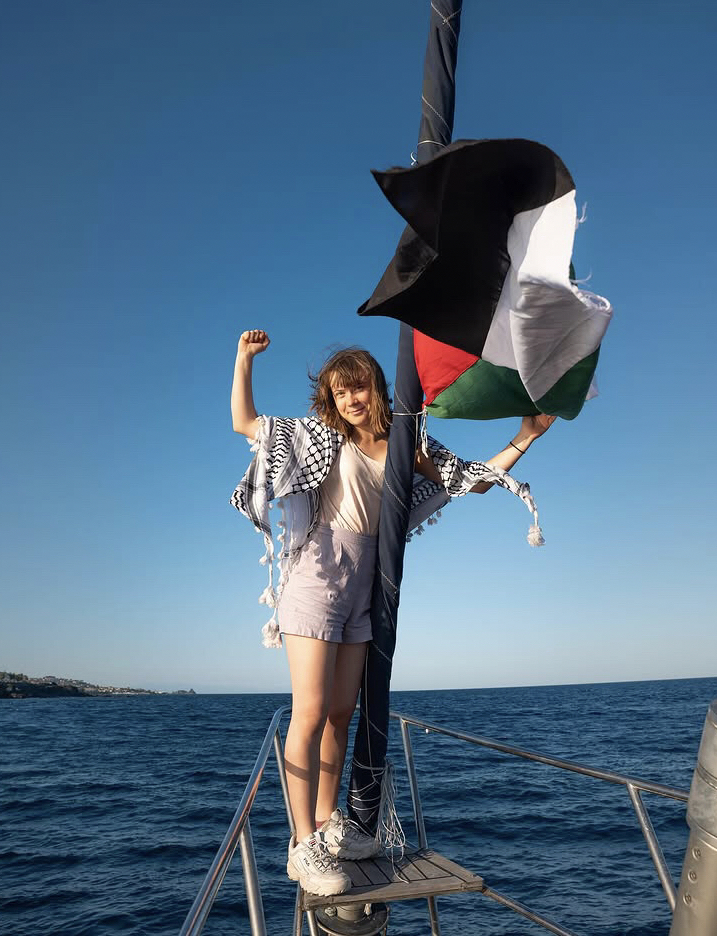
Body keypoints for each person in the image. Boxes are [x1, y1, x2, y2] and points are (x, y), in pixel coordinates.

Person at [231, 328, 555, 896]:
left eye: (358, 387)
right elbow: (246, 423)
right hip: (316, 579)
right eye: (339, 393)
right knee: (309, 713)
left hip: (365, 590)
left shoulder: (410, 446)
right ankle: (302, 845)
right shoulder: (320, 438)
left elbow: (471, 481)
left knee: (340, 713)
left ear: (378, 388)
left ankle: (329, 823)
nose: (350, 400)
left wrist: (526, 436)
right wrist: (244, 360)